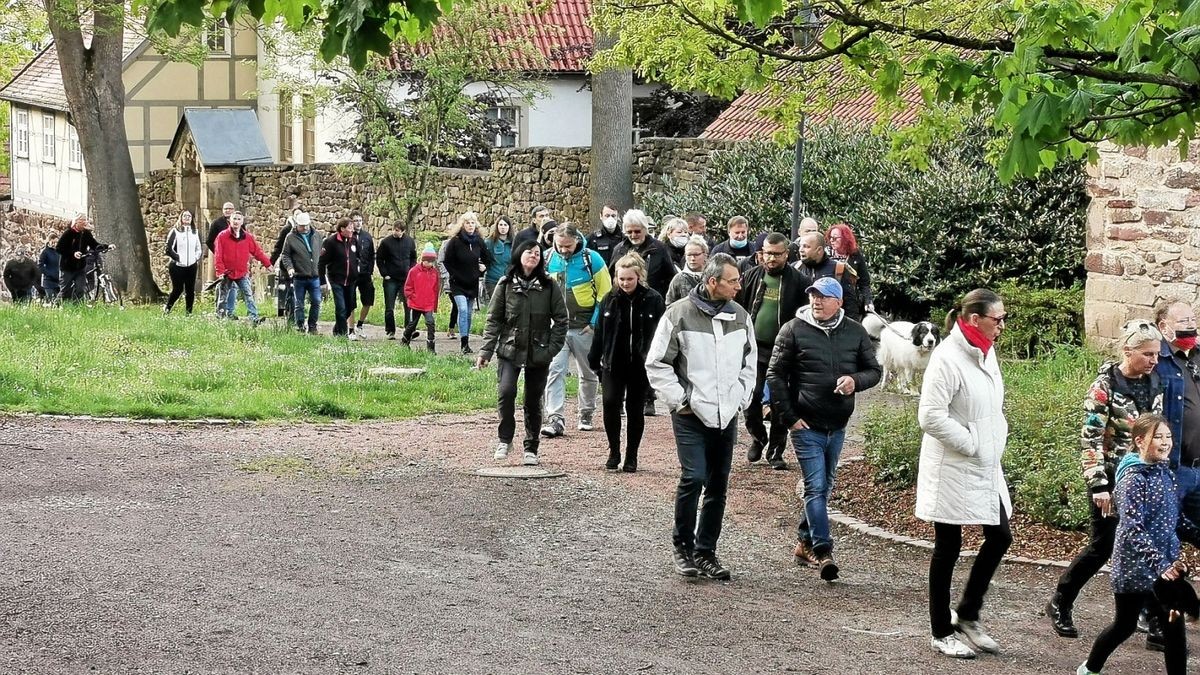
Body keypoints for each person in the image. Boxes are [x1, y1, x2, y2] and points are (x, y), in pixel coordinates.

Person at [1048, 320, 1165, 641]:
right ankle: (1060, 601)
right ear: (1128, 351)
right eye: (1147, 354)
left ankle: (1155, 622)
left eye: (1156, 353)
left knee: (1145, 545)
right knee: (1103, 547)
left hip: (1142, 478)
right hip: (1111, 480)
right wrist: (1099, 485)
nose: (1155, 360)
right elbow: (1090, 439)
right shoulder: (1105, 385)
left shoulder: (1154, 381)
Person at [646, 253, 756, 581]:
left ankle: (706, 551)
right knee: (694, 477)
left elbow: (749, 363)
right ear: (712, 282)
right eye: (733, 281)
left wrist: (741, 396)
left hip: (726, 413)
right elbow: (657, 363)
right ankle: (683, 545)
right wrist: (681, 400)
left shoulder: (740, 316)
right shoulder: (677, 314)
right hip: (691, 412)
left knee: (718, 484)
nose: (739, 285)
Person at [917, 288, 1013, 659]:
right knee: (948, 546)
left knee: (1000, 535)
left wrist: (990, 440)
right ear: (974, 319)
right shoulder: (946, 358)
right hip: (953, 465)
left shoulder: (986, 353)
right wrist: (972, 442)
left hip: (985, 463)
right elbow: (930, 416)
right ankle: (941, 631)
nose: (1002, 326)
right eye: (997, 319)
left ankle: (968, 613)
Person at [767, 276, 881, 579]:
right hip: (806, 424)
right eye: (813, 296)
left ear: (839, 302)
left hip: (838, 424)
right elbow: (774, 375)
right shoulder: (792, 330)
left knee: (825, 486)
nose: (816, 301)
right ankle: (823, 549)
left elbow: (875, 371)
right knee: (815, 486)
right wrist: (789, 417)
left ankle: (804, 542)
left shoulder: (855, 332)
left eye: (823, 296)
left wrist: (855, 381)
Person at [1078, 413, 1188, 675]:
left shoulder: (1165, 474)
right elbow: (1131, 528)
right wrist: (1159, 563)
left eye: (1168, 436)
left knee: (1174, 626)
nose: (1165, 442)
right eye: (1157, 437)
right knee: (1124, 625)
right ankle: (1090, 669)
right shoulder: (1132, 479)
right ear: (1140, 441)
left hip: (1165, 566)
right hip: (1135, 566)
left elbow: (1177, 519)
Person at [476, 239, 569, 466]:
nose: (534, 256)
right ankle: (505, 439)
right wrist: (486, 351)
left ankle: (531, 447)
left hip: (539, 352)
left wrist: (551, 349)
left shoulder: (549, 286)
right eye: (529, 252)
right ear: (519, 255)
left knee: (532, 399)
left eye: (537, 253)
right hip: (510, 349)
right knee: (506, 392)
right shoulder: (505, 284)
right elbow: (494, 320)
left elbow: (561, 320)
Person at [588, 252, 664, 473]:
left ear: (639, 277)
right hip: (614, 361)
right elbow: (600, 333)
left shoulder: (654, 299)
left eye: (629, 279)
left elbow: (661, 334)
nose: (625, 283)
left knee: (635, 408)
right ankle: (614, 451)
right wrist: (594, 360)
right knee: (610, 403)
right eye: (621, 279)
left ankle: (632, 455)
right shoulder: (609, 299)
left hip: (640, 364)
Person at [739, 232, 810, 470]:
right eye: (767, 253)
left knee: (781, 400)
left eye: (776, 254)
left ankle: (776, 451)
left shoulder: (799, 282)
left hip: (784, 350)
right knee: (751, 396)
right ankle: (758, 437)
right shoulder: (750, 277)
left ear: (786, 254)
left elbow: (805, 317)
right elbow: (738, 309)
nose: (771, 258)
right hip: (754, 348)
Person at [540, 222, 612, 437]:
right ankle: (555, 417)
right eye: (560, 245)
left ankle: (586, 412)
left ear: (577, 241)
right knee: (554, 371)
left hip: (584, 327)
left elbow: (605, 293)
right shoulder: (547, 258)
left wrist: (594, 323)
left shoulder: (593, 259)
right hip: (557, 327)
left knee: (588, 372)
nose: (563, 250)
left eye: (568, 246)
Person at [1155, 301, 1200, 545]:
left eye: (1193, 320)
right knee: (1163, 535)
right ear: (1164, 326)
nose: (1191, 326)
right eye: (1184, 322)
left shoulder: (1198, 356)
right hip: (1173, 468)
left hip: (1199, 465)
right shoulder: (1157, 360)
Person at [443, 211, 493, 354]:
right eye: (467, 223)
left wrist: (482, 269)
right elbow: (447, 261)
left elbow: (487, 259)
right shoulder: (455, 241)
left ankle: (466, 343)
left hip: (472, 282)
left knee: (469, 313)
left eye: (472, 223)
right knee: (463, 310)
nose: (470, 225)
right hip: (457, 283)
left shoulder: (478, 241)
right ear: (462, 225)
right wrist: (455, 275)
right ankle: (463, 342)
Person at [213, 211, 272, 323]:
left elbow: (257, 252)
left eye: (239, 219)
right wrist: (220, 271)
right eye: (234, 219)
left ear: (242, 222)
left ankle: (254, 318)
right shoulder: (222, 236)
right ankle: (220, 317)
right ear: (229, 221)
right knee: (223, 296)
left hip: (241, 272)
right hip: (227, 272)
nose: (236, 221)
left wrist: (267, 264)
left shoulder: (247, 237)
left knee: (248, 294)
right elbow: (218, 255)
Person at [611, 209, 674, 306]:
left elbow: (670, 278)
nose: (633, 235)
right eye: (629, 232)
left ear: (645, 229)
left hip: (652, 302)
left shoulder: (659, 249)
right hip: (624, 303)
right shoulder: (619, 250)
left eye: (637, 231)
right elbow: (612, 277)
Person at [794, 232, 859, 317]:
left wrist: (850, 328)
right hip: (802, 325)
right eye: (801, 246)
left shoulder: (839, 269)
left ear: (819, 250)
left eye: (806, 246)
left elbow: (850, 305)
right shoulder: (795, 268)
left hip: (832, 325)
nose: (801, 250)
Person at [279, 210, 323, 334]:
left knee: (316, 301)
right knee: (299, 303)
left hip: (314, 276)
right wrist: (290, 268)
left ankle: (312, 326)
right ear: (297, 225)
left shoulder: (316, 235)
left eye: (307, 225)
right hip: (299, 276)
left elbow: (320, 251)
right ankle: (300, 325)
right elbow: (285, 255)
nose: (305, 228)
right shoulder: (290, 237)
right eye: (302, 226)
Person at [319, 217, 360, 338]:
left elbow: (358, 257)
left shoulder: (354, 241)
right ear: (342, 229)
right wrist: (322, 281)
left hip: (351, 280)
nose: (352, 229)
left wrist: (358, 271)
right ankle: (342, 335)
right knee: (341, 307)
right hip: (337, 279)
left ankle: (337, 328)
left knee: (350, 307)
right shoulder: (330, 242)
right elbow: (321, 263)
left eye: (352, 227)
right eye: (349, 227)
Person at [377, 220, 417, 339]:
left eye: (398, 231)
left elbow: (413, 257)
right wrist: (384, 274)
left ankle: (408, 330)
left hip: (406, 278)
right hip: (391, 279)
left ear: (403, 231)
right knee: (389, 306)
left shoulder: (410, 241)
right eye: (394, 229)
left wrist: (411, 270)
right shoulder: (386, 242)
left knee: (408, 305)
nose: (395, 232)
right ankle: (390, 330)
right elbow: (379, 259)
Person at [826, 223, 874, 318]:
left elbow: (864, 282)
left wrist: (868, 301)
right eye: (830, 237)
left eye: (835, 238)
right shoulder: (825, 255)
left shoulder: (855, 255)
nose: (831, 240)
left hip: (850, 302)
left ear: (845, 239)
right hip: (829, 301)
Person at [56, 215, 108, 302]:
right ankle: (58, 306)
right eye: (82, 221)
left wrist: (106, 247)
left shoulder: (86, 233)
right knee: (65, 290)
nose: (85, 223)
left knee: (80, 289)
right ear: (77, 222)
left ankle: (76, 307)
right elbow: (59, 248)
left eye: (85, 221)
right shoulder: (68, 233)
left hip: (80, 267)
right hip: (67, 267)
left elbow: (94, 245)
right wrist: (73, 253)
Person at [401, 244, 441, 352]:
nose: (430, 264)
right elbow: (407, 288)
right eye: (428, 261)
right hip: (416, 303)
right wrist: (412, 297)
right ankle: (405, 340)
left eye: (432, 262)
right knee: (412, 324)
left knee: (430, 323)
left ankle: (431, 347)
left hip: (428, 303)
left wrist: (434, 304)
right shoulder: (414, 271)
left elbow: (436, 289)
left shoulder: (434, 273)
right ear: (423, 260)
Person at [164, 210, 203, 314]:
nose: (187, 218)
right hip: (177, 266)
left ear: (192, 219)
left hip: (191, 265)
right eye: (184, 216)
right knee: (178, 289)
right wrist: (178, 258)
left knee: (190, 290)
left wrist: (195, 258)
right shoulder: (175, 231)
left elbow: (199, 248)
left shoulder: (195, 232)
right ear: (181, 218)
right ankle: (167, 309)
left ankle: (189, 313)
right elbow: (168, 248)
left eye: (189, 216)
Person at [350, 212, 376, 337]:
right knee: (351, 301)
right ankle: (351, 329)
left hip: (365, 274)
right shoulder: (348, 236)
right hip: (351, 274)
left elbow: (372, 255)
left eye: (360, 220)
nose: (358, 223)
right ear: (351, 222)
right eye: (355, 220)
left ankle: (360, 324)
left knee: (368, 300)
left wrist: (370, 271)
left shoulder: (367, 237)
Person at [666, 236, 708, 304]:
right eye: (689, 255)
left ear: (705, 255)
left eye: (696, 254)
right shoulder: (678, 279)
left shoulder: (712, 276)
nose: (692, 258)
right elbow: (670, 304)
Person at [483, 216, 515, 304]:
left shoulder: (514, 243)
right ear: (497, 226)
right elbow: (482, 258)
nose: (503, 227)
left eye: (505, 225)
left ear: (509, 227)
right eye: (500, 225)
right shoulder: (489, 242)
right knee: (496, 306)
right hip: (492, 280)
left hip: (509, 280)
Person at [38, 235, 60, 302]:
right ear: (49, 241)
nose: (54, 244)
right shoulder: (45, 252)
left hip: (58, 281)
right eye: (53, 242)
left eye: (56, 242)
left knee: (58, 301)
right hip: (48, 281)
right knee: (49, 300)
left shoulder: (59, 252)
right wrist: (48, 273)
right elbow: (40, 265)